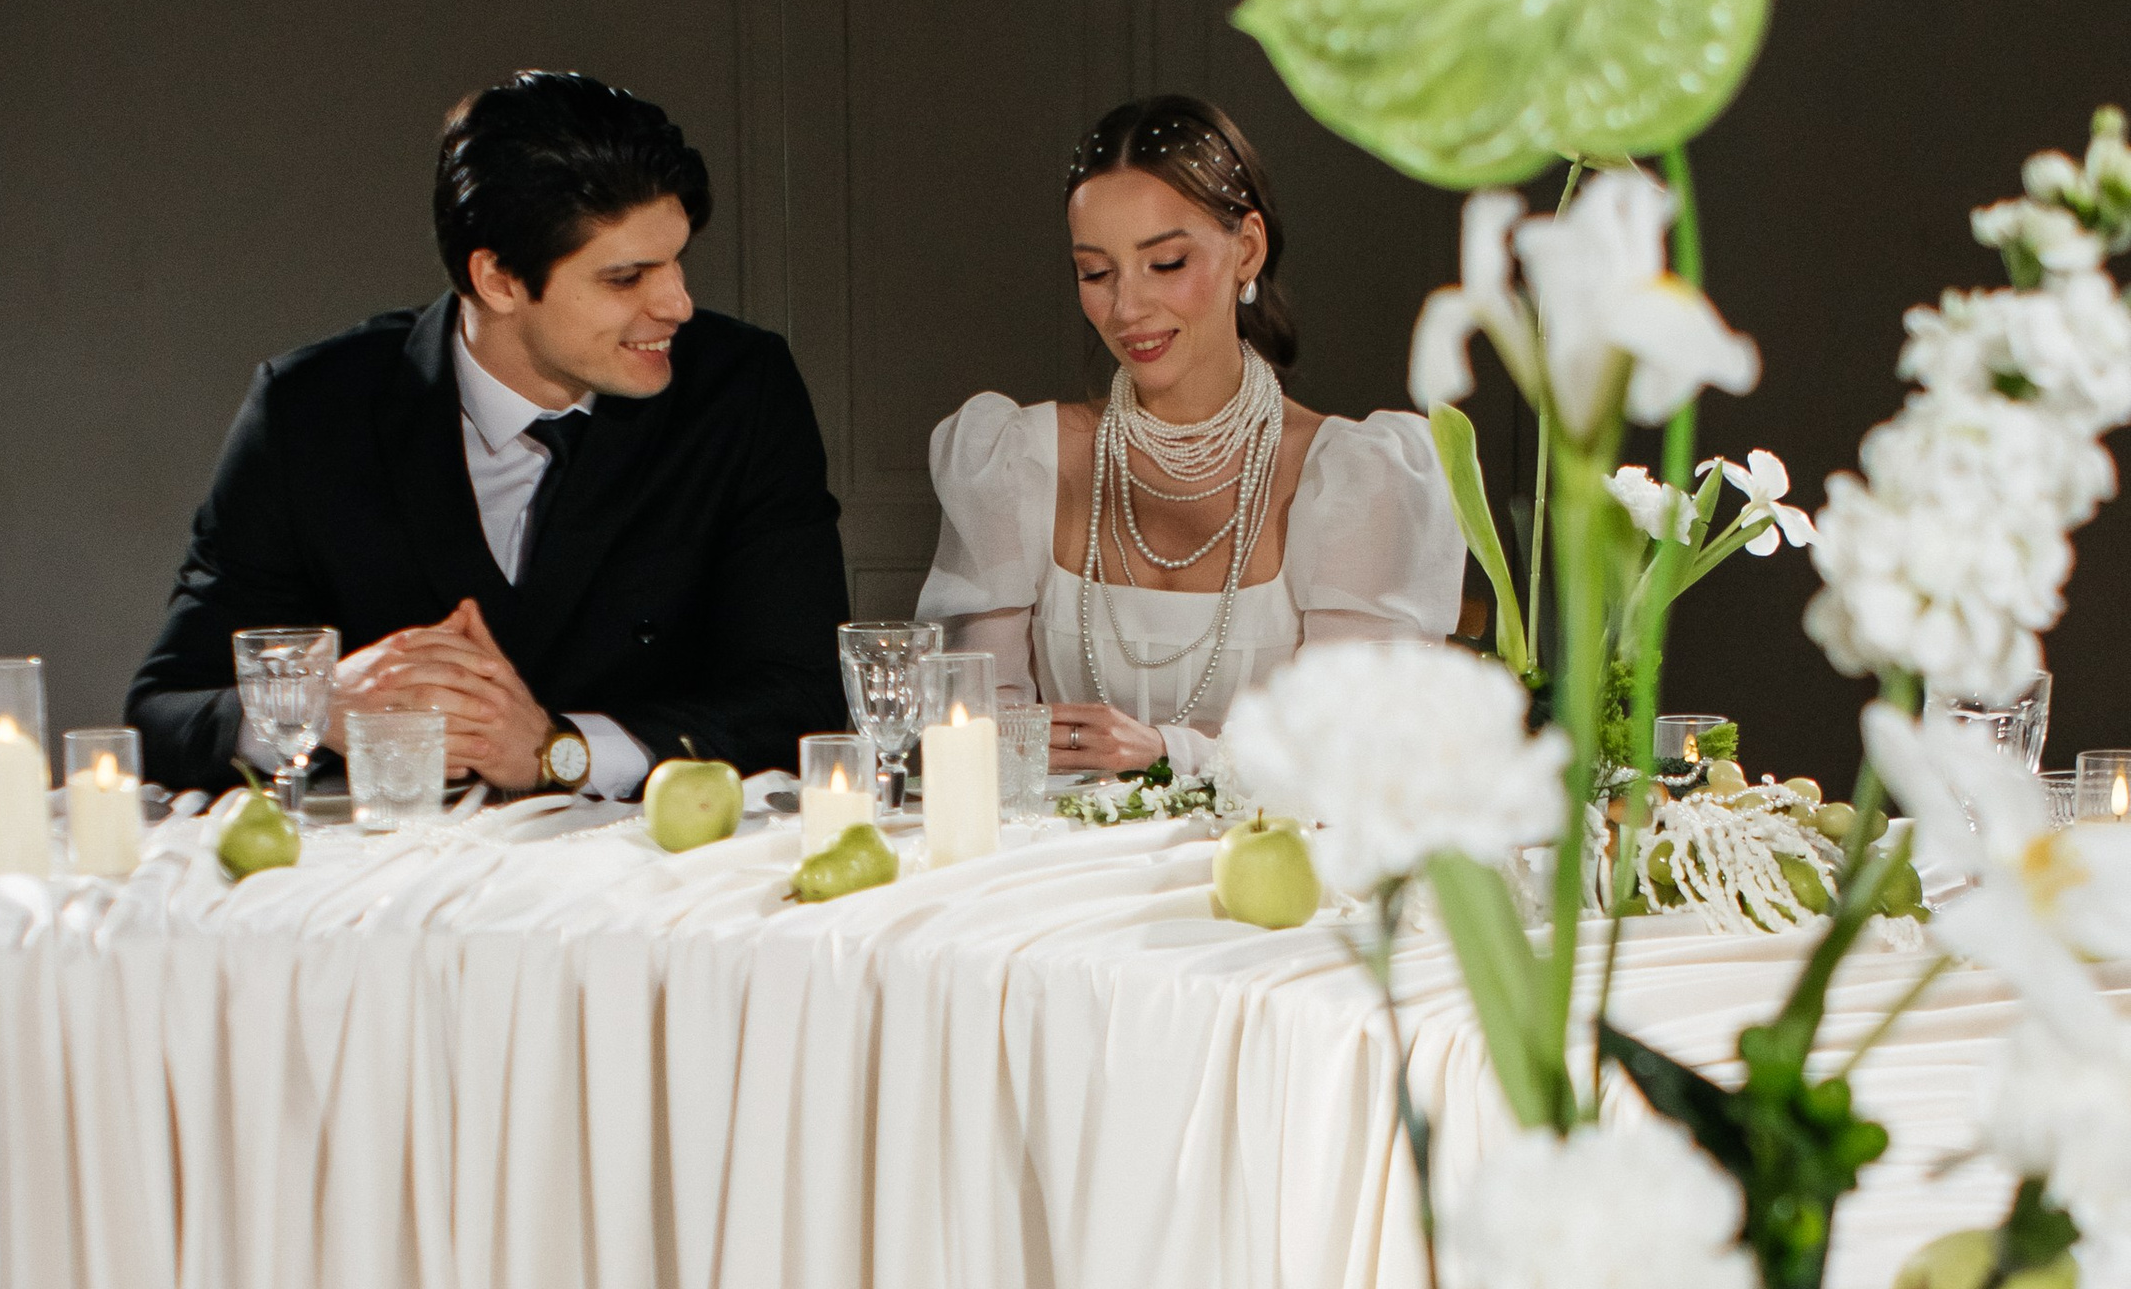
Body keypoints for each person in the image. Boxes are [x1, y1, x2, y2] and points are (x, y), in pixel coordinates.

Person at [128, 72, 849, 797]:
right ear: (498, 279)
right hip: (386, 881)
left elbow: (806, 698)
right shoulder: (311, 411)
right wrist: (314, 708)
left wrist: (560, 750)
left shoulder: (741, 390)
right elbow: (161, 714)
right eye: (626, 277)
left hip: (653, 876)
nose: (679, 305)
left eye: (678, 260)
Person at [920, 94, 1463, 777]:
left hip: (1274, 873)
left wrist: (1167, 752)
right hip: (1055, 867)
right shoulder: (1013, 462)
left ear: (1248, 249)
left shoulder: (1358, 478)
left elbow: (1354, 749)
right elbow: (976, 738)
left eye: (1167, 263)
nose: (1126, 308)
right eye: (1095, 272)